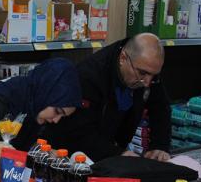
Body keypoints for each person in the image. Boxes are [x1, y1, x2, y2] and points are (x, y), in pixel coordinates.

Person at [43, 33, 171, 162]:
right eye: (142, 73)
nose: (147, 82)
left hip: (109, 144)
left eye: (154, 75)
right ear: (123, 58)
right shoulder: (88, 76)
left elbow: (160, 107)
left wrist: (160, 145)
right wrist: (117, 153)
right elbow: (80, 132)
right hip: (69, 153)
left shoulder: (145, 68)